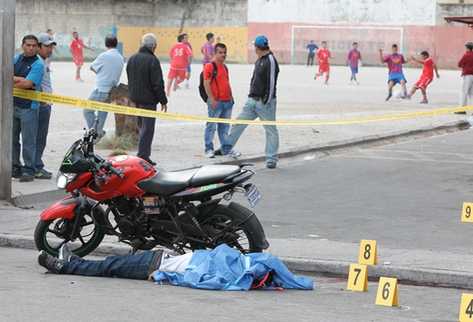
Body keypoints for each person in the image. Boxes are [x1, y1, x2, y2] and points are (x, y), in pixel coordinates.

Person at [37, 243, 313, 291]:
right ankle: (70, 262)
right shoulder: (238, 267)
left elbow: (194, 280)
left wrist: (164, 275)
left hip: (157, 263)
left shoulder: (231, 272)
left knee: (110, 265)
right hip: (162, 258)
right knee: (113, 264)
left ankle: (66, 265)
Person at [220, 35, 280, 169]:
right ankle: (226, 148)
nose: (254, 49)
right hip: (252, 101)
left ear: (258, 47)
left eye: (255, 46)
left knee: (270, 130)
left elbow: (271, 83)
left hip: (264, 103)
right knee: (238, 123)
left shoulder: (270, 60)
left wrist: (267, 100)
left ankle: (271, 159)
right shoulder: (260, 60)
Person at [126, 33, 168, 166]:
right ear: (154, 46)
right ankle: (143, 156)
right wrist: (163, 100)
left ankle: (142, 152)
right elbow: (157, 83)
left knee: (141, 126)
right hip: (148, 100)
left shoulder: (132, 58)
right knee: (148, 128)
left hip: (134, 98)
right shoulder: (152, 60)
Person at [12, 35, 44, 182]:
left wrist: (13, 79)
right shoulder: (16, 59)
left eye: (34, 45)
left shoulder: (38, 64)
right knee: (11, 139)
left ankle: (29, 169)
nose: (31, 48)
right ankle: (15, 166)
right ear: (22, 45)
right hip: (13, 105)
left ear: (37, 47)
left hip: (29, 107)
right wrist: (20, 80)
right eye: (28, 45)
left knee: (28, 140)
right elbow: (4, 76)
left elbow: (28, 83)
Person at [83, 35, 124, 139]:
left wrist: (101, 73)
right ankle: (98, 132)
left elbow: (92, 67)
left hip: (101, 89)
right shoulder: (120, 57)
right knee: (102, 113)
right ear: (116, 43)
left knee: (87, 110)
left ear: (106, 44)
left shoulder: (104, 56)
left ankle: (97, 132)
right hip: (112, 90)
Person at [203, 43, 233, 158]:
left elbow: (227, 82)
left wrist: (231, 98)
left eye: (224, 52)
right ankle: (208, 149)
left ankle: (226, 149)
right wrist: (211, 99)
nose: (223, 55)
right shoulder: (210, 66)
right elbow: (206, 83)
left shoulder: (225, 67)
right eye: (220, 52)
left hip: (227, 102)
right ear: (215, 53)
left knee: (224, 128)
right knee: (211, 127)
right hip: (216, 102)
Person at [35, 33, 57, 180]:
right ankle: (36, 166)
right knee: (39, 137)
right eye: (47, 46)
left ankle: (36, 164)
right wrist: (43, 100)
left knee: (40, 137)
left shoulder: (43, 61)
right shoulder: (38, 62)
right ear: (39, 47)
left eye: (51, 47)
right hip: (41, 105)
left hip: (45, 103)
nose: (50, 49)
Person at [457, 42, 473, 114]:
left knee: (464, 92)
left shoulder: (466, 55)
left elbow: (459, 64)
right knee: (472, 94)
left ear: (467, 48)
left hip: (467, 75)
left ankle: (462, 109)